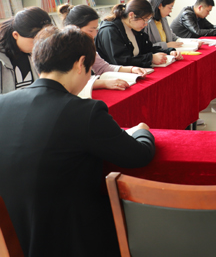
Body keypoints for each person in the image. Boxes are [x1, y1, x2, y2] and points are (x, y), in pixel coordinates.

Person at [0, 25, 156, 257]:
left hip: (14, 236)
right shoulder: (84, 112)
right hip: (70, 238)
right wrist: (142, 131)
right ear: (80, 63)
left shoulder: (3, 103)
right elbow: (138, 156)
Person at [59, 3, 151, 90]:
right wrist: (104, 83)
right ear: (74, 28)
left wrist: (132, 69)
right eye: (90, 30)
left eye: (96, 29)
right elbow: (67, 82)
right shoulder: (62, 49)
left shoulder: (86, 46)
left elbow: (103, 68)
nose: (94, 34)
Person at [96, 0, 181, 67]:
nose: (146, 24)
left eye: (148, 20)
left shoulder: (134, 28)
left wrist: (169, 52)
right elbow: (120, 61)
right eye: (145, 20)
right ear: (131, 15)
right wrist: (151, 58)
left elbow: (147, 49)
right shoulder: (110, 30)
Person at [0, 6, 52, 94]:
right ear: (16, 35)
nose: (39, 46)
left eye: (42, 41)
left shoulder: (37, 53)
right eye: (34, 41)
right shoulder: (2, 60)